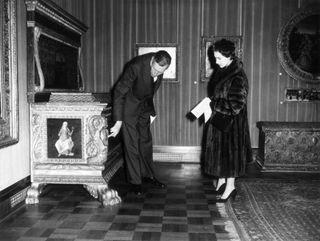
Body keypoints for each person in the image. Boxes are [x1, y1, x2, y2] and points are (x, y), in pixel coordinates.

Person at [109, 50, 171, 195]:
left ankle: (147, 175)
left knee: (145, 142)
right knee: (131, 144)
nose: (156, 73)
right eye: (155, 69)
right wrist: (118, 122)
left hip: (144, 107)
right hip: (129, 107)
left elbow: (149, 91)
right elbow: (119, 92)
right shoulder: (135, 66)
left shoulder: (160, 67)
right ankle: (135, 182)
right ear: (152, 61)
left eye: (160, 71)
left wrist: (151, 112)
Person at [204, 39, 252, 202]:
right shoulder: (223, 71)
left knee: (230, 156)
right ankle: (223, 181)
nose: (216, 62)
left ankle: (230, 186)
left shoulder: (237, 77)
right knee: (222, 155)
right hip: (222, 122)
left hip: (232, 126)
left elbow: (236, 106)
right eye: (215, 58)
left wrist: (214, 104)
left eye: (219, 58)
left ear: (230, 56)